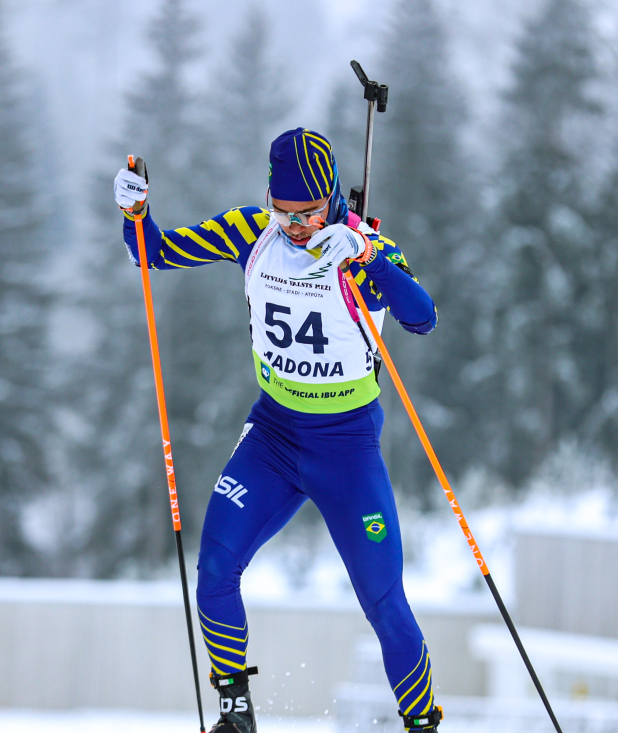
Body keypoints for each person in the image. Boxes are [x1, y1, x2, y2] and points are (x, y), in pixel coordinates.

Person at [113, 128, 443, 733]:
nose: (295, 227)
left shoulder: (363, 247)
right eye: (284, 212)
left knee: (383, 601)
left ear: (333, 197)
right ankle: (236, 715)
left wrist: (368, 256)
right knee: (215, 569)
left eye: (309, 213)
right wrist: (136, 211)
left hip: (346, 448)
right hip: (273, 436)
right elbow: (151, 252)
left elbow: (422, 317)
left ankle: (421, 723)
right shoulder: (251, 231)